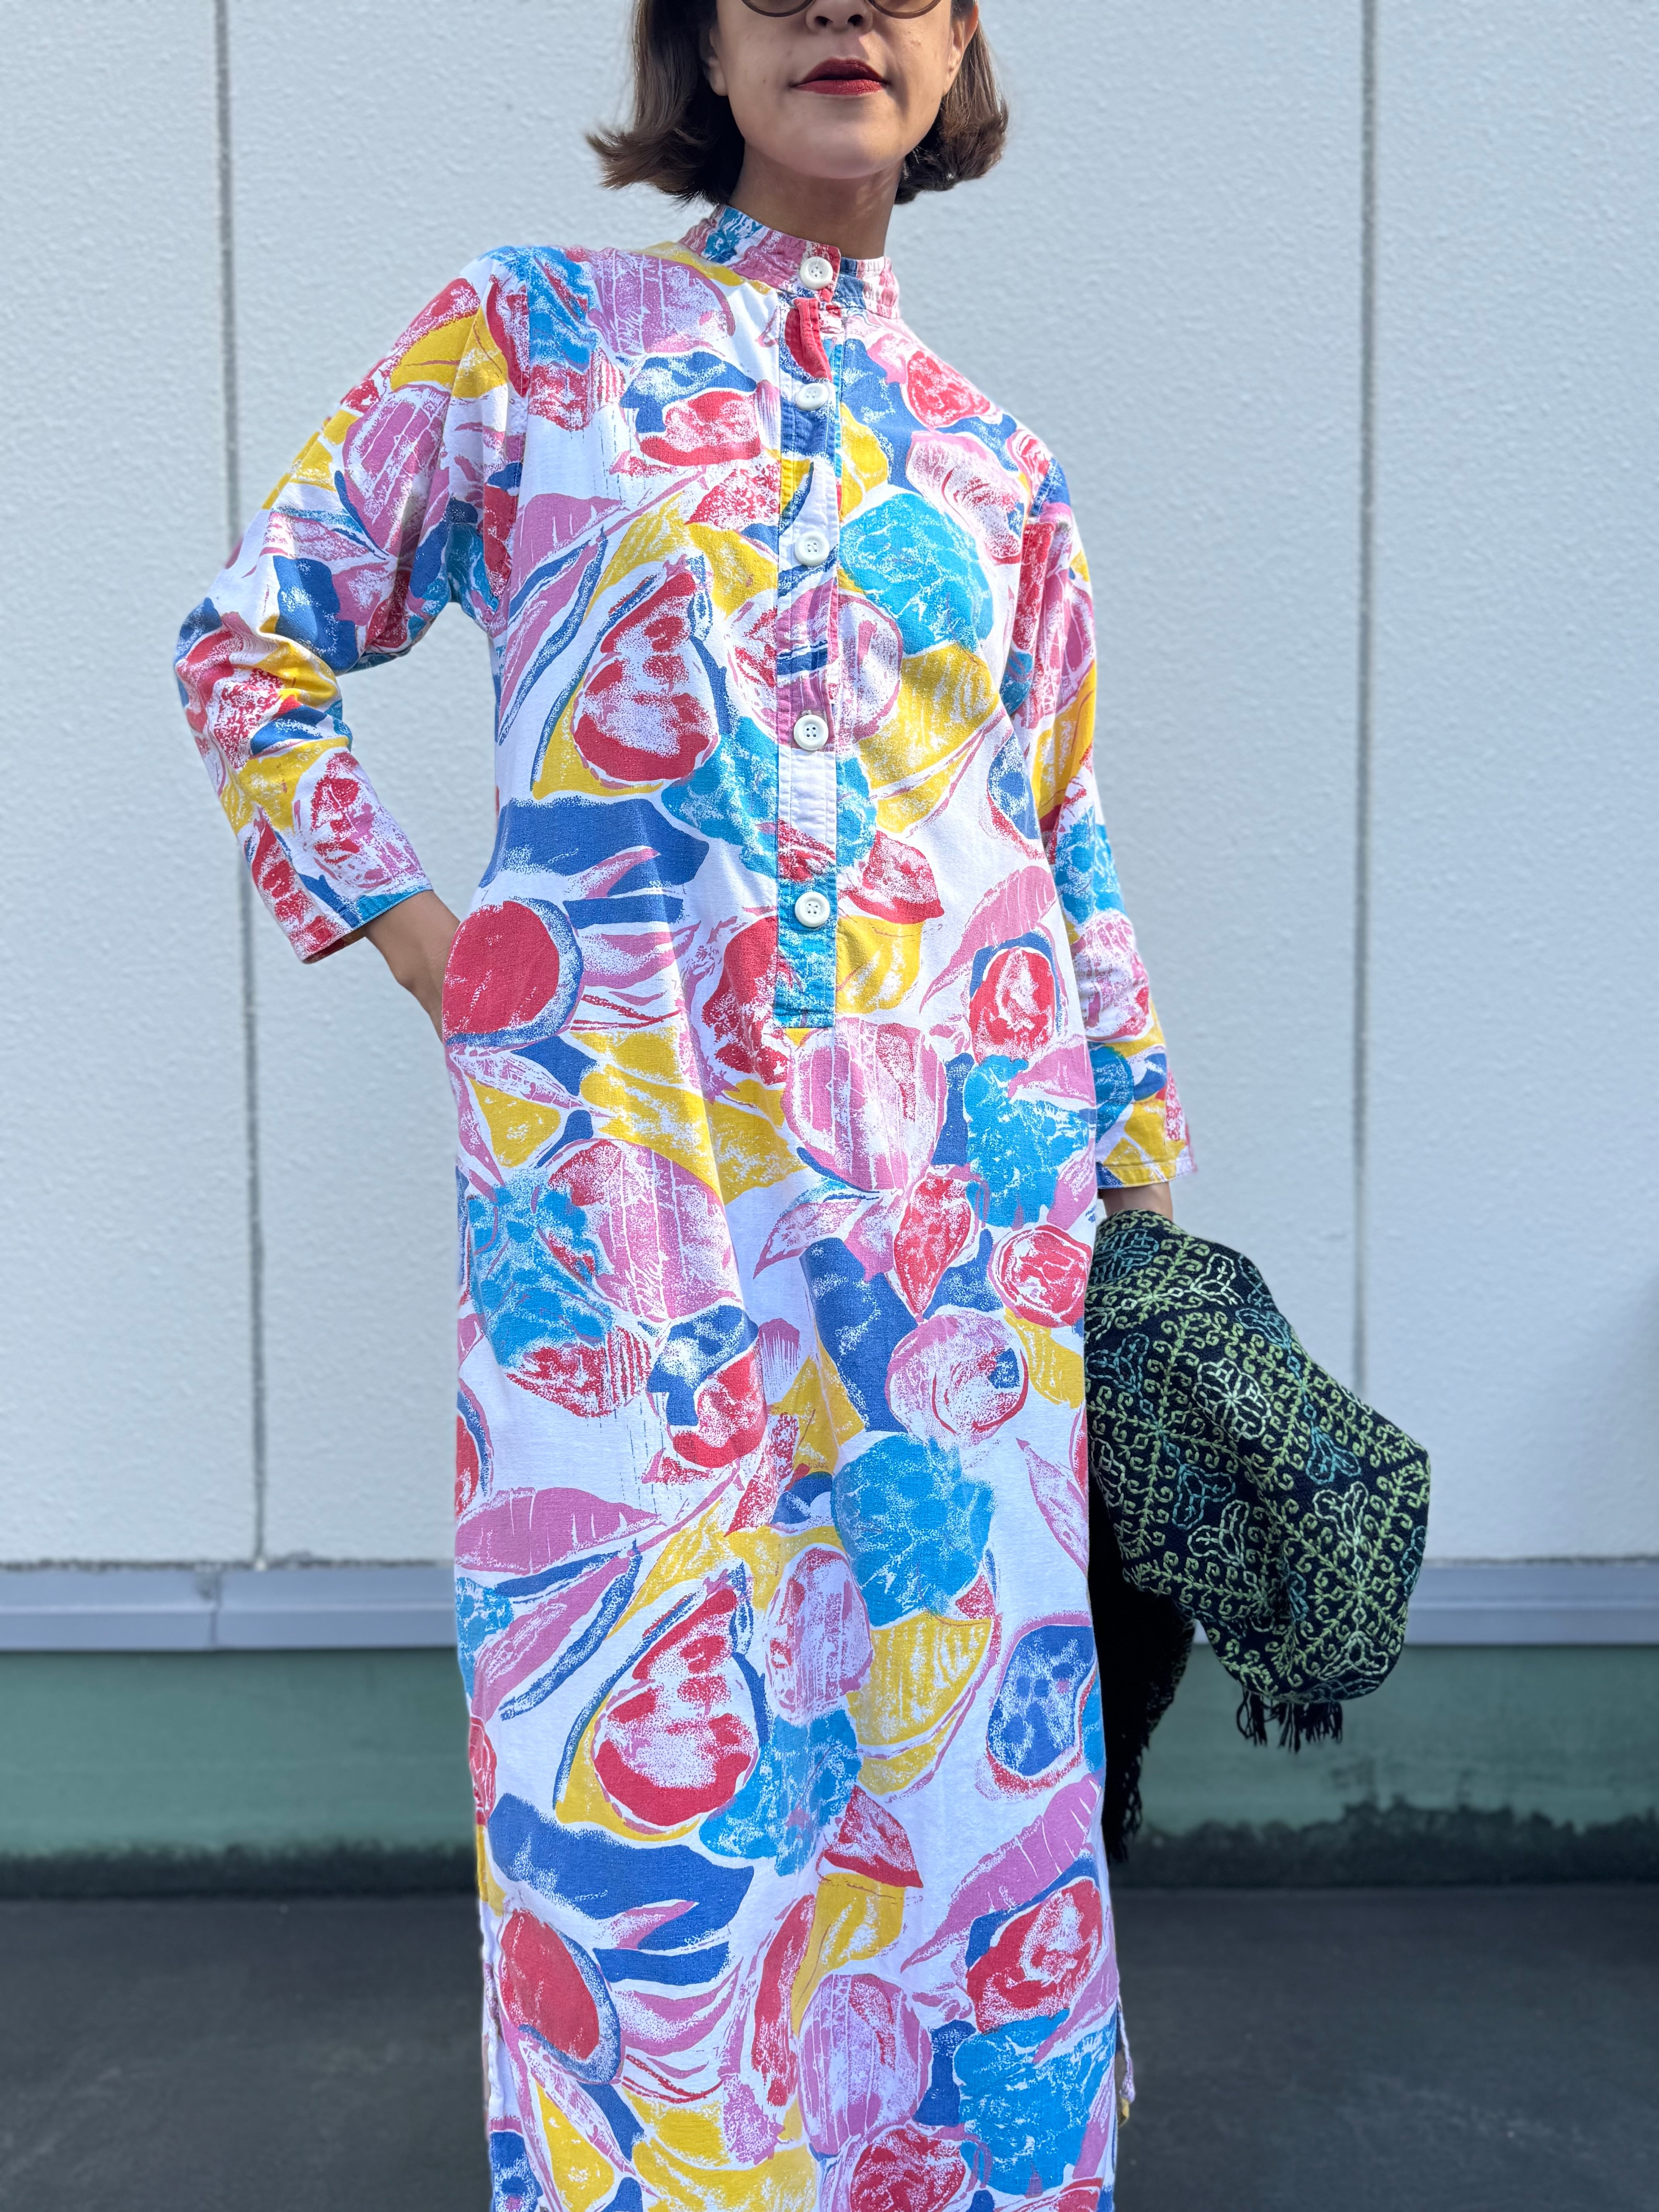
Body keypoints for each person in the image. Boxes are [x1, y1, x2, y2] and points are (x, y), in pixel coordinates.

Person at [175, 2, 1191, 2203]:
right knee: (643, 1837)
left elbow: (1066, 847)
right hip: (628, 1231)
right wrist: (440, 955)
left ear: (955, 51)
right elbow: (250, 642)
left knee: (957, 1831)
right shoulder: (533, 341)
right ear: (700, 51)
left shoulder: (996, 465)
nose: (844, 10)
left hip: (965, 1259)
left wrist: (1149, 1211)